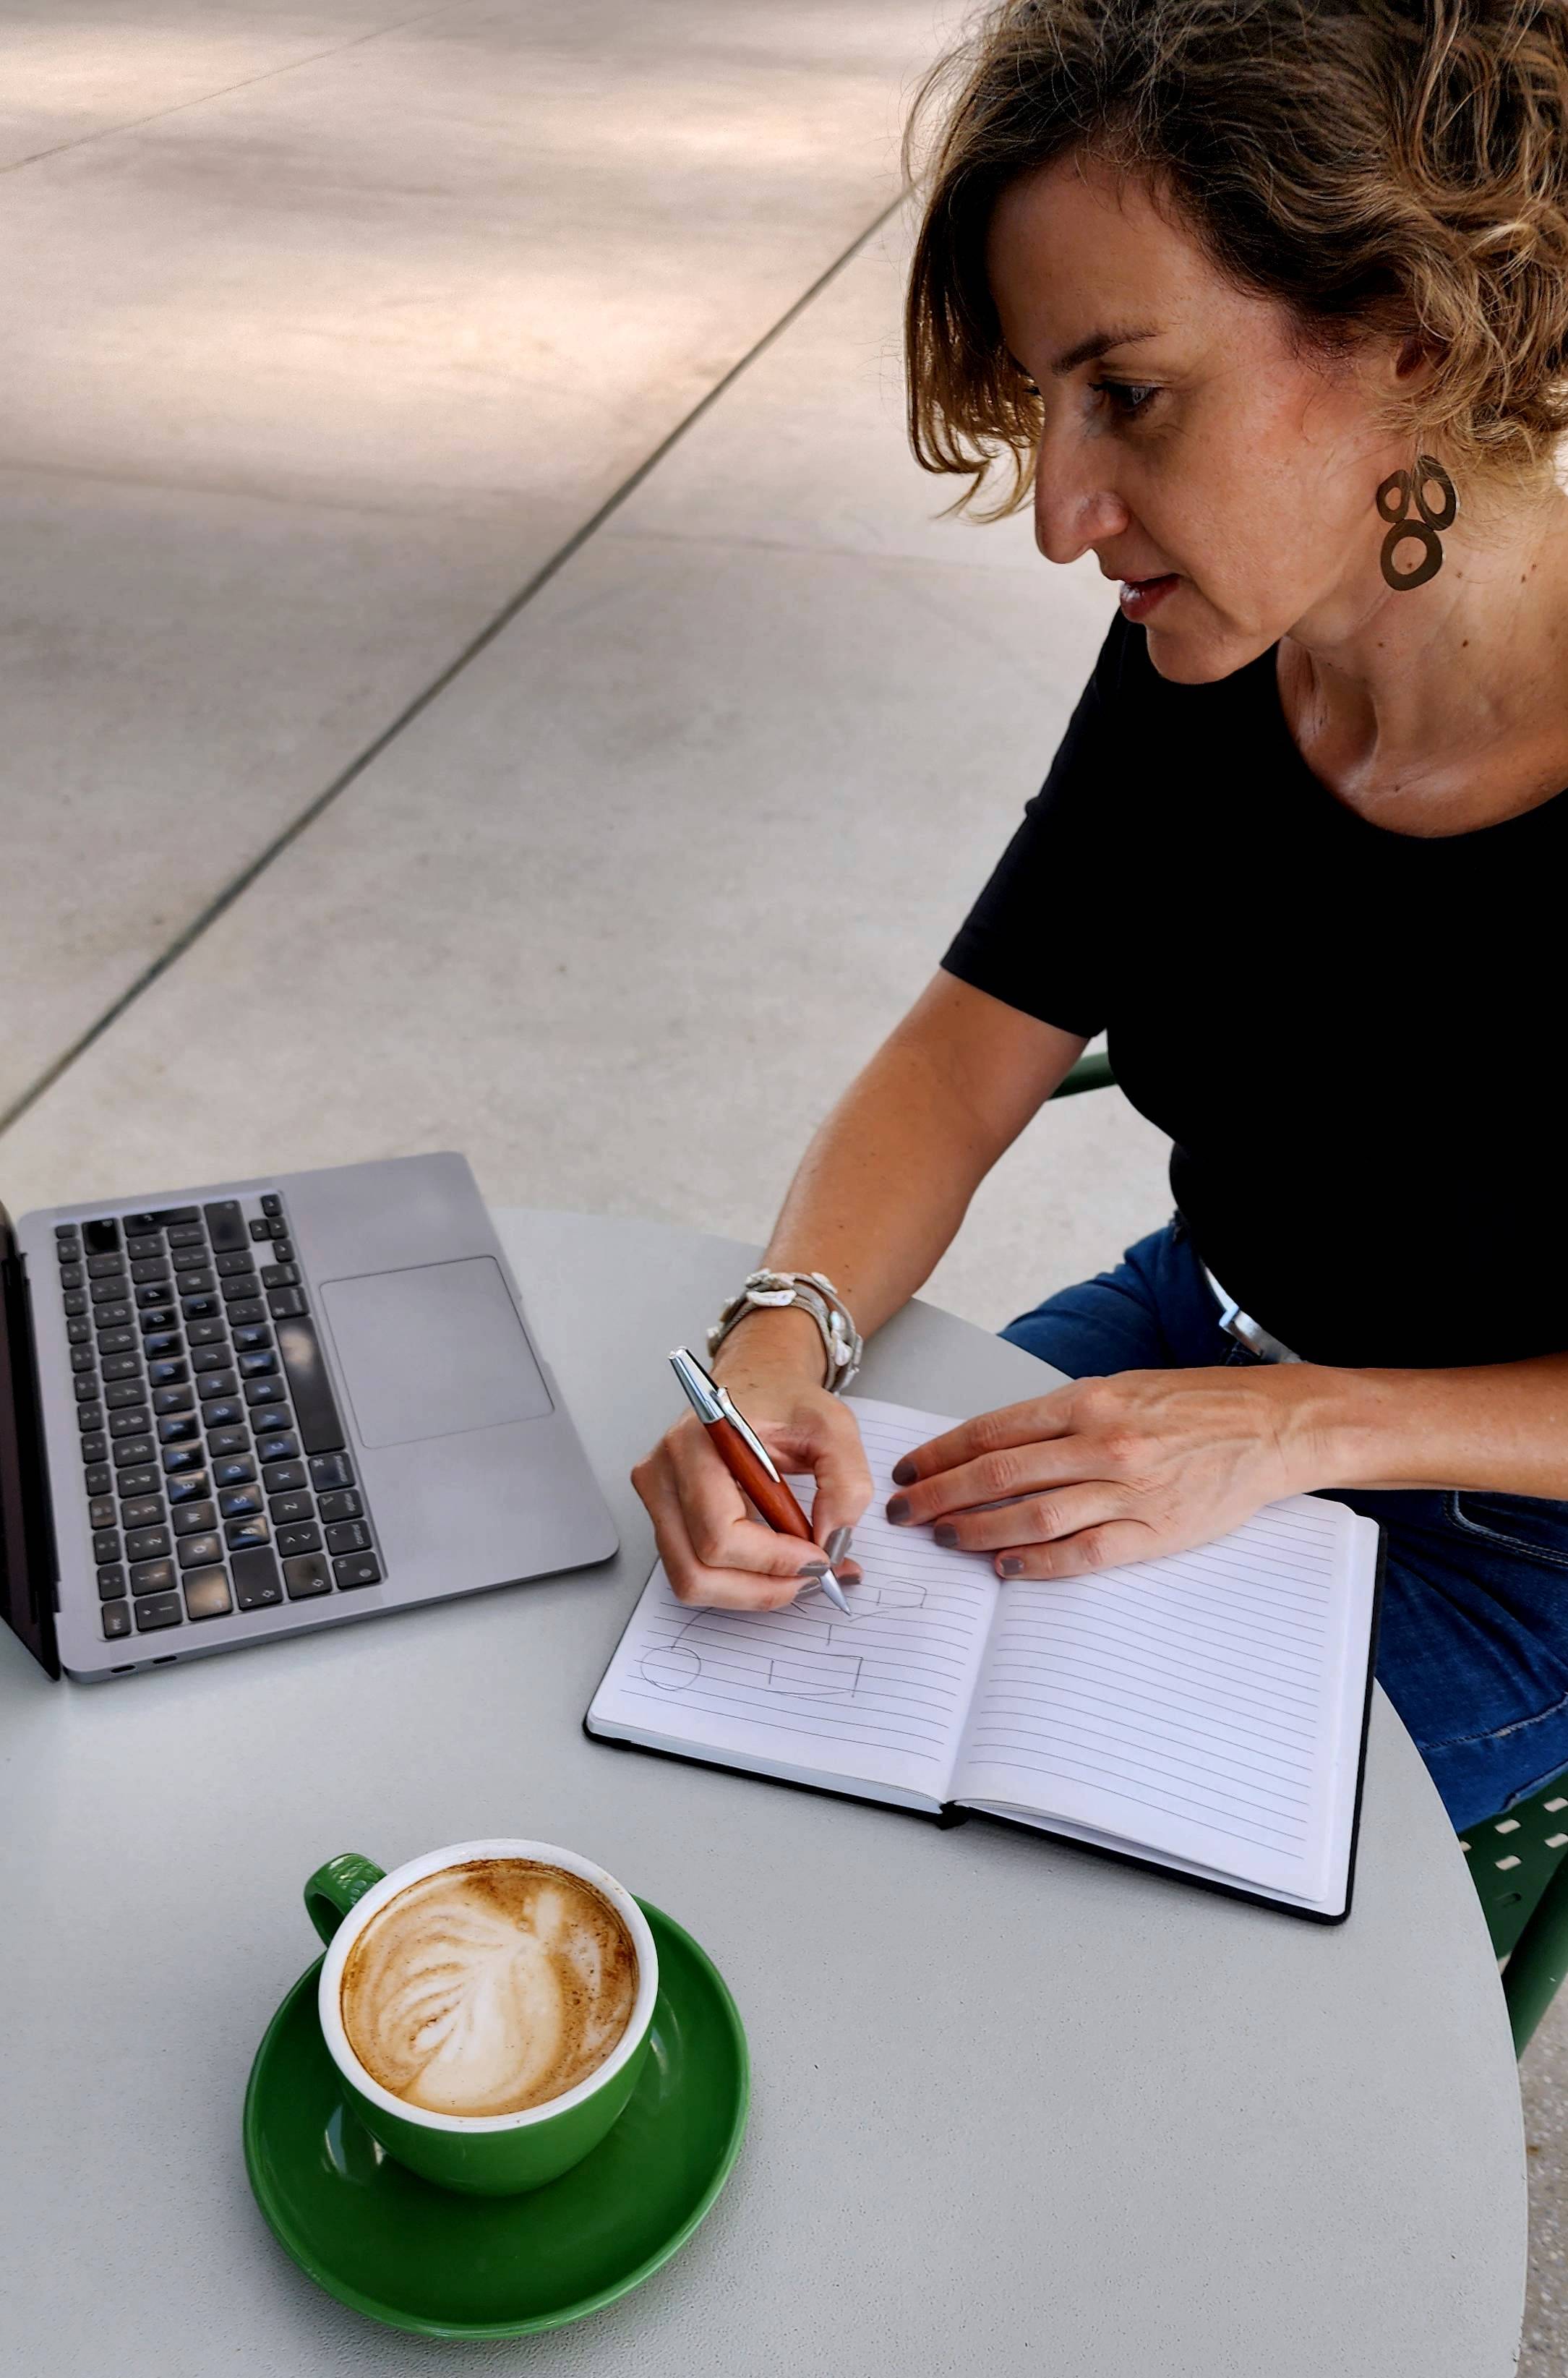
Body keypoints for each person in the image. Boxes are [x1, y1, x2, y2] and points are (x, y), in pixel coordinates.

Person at [632, 0, 1568, 1833]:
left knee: (978, 1884)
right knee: (735, 1714)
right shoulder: (1201, 658)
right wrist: (774, 1353)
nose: (1061, 513)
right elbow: (963, 1049)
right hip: (1187, 1340)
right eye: (1046, 405)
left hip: (1502, 1529)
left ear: (1406, 333)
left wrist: (1305, 1431)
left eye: (1127, 397)